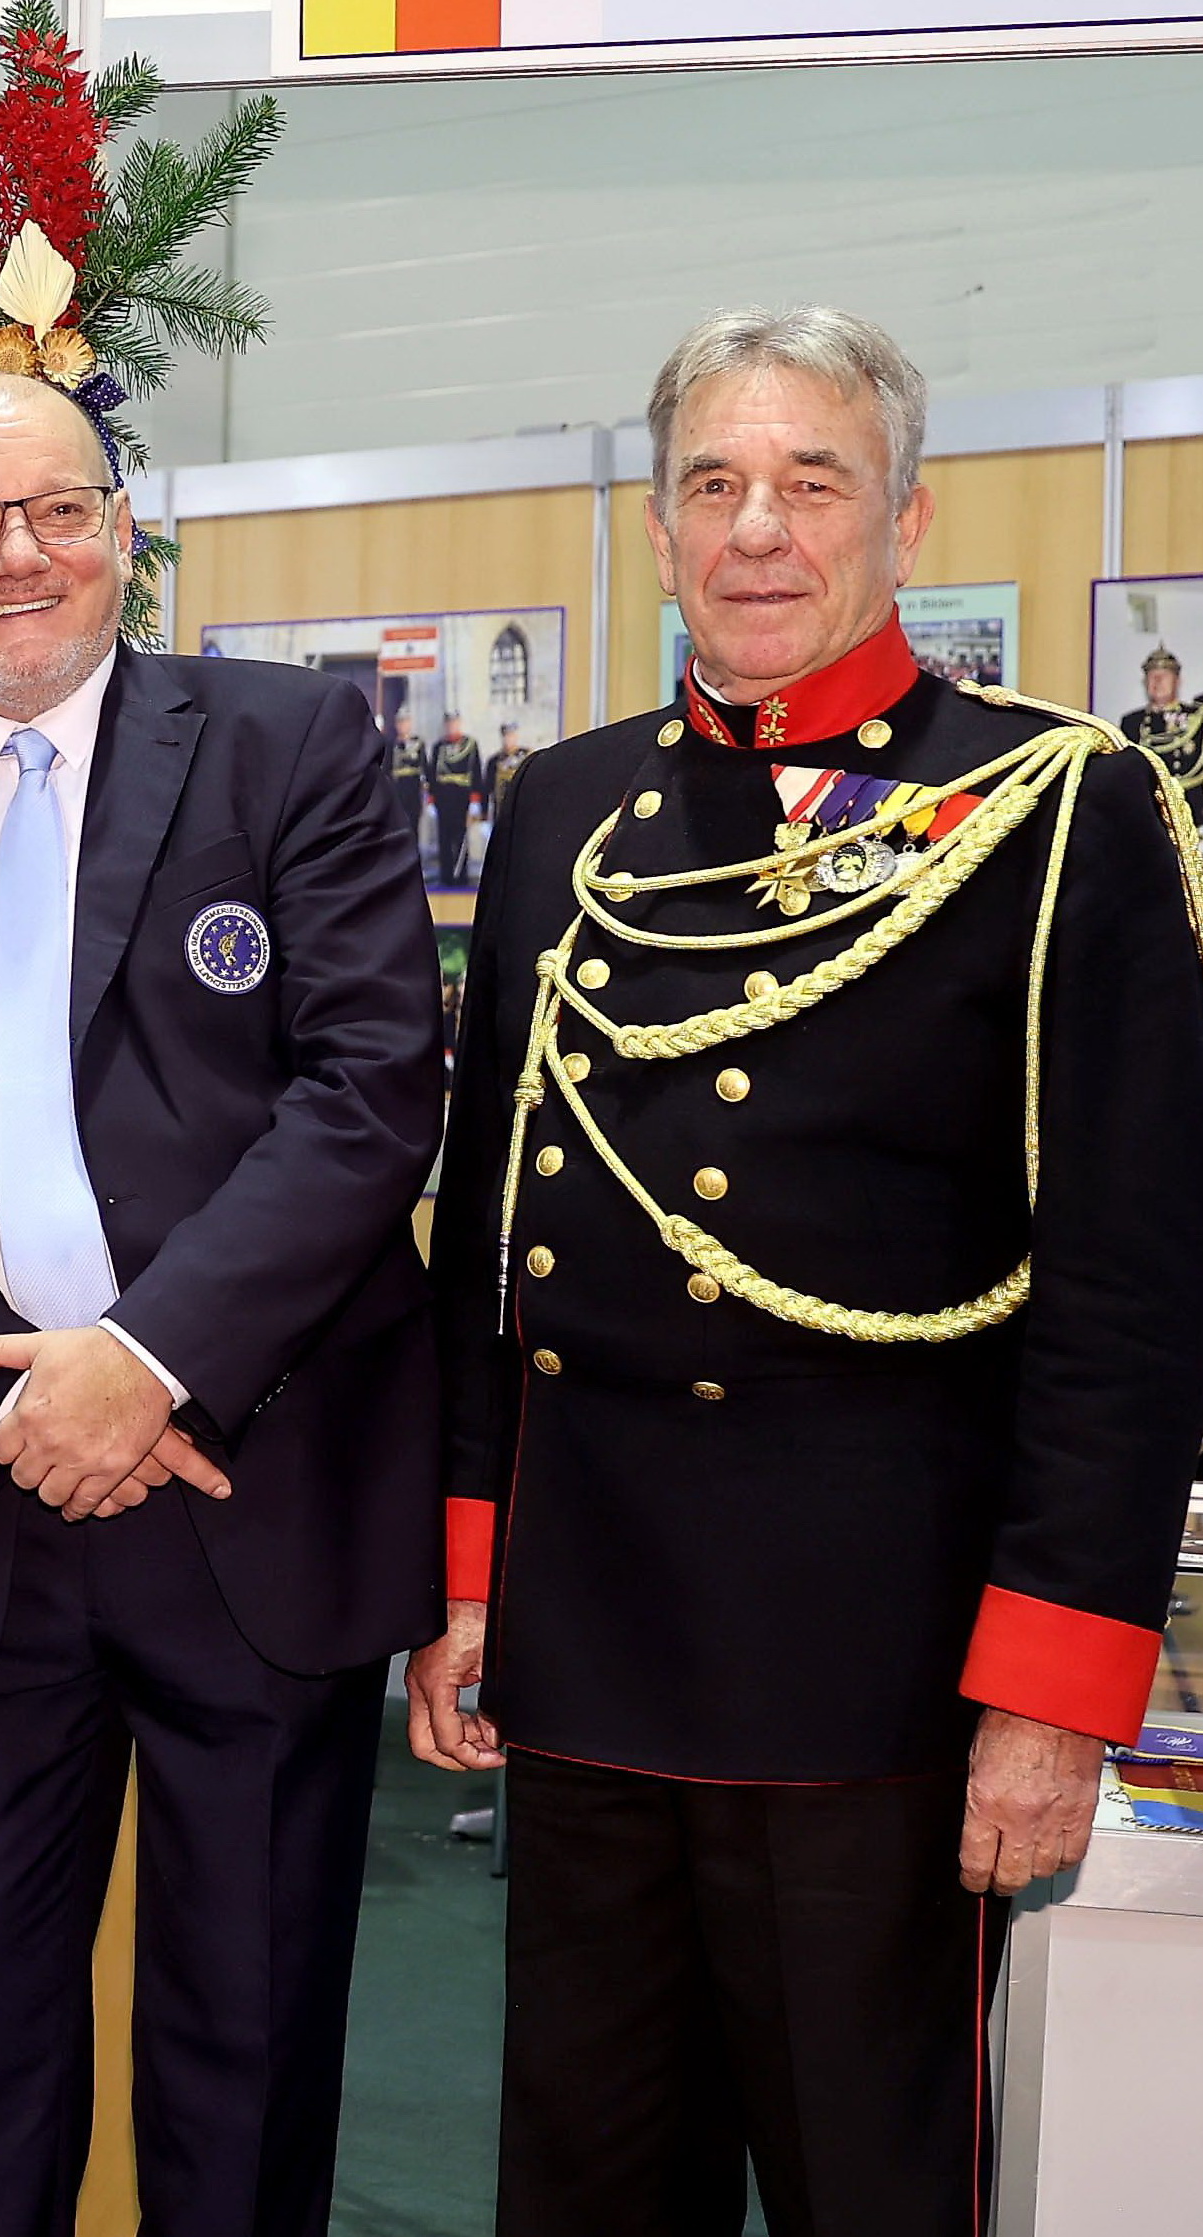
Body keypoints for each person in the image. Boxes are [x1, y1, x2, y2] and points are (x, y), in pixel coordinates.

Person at [414, 306, 1203, 2236]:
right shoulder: (559, 812)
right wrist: (464, 1581)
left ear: (904, 521)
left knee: (865, 2179)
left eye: (807, 482)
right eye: (711, 486)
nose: (756, 528)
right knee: (587, 2177)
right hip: (590, 1621)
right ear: (662, 533)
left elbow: (1125, 1284)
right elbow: (489, 1244)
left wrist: (1046, 1686)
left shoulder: (1046, 808)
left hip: (874, 1655)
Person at [0, 371, 445, 2237]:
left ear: (121, 527)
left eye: (52, 508)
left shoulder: (291, 749)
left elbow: (368, 1088)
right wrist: (18, 1409)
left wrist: (142, 1364)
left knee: (245, 2055)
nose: (11, 554)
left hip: (245, 1485)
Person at [1119, 644, 1203, 799]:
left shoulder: (1196, 718)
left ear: (1177, 681)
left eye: (1164, 675)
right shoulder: (1132, 723)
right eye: (1152, 676)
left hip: (1194, 809)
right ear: (1145, 682)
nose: (1157, 681)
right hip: (1152, 808)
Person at [427, 707, 483, 885]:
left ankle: (461, 876)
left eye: (454, 722)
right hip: (443, 798)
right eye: (449, 723)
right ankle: (446, 877)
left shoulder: (470, 744)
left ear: (459, 723)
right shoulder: (438, 747)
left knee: (460, 837)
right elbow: (432, 775)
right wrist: (431, 799)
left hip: (461, 797)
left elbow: (476, 771)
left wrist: (475, 800)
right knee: (444, 838)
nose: (452, 726)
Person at [386, 705, 428, 846]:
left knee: (414, 826)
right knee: (398, 826)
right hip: (397, 790)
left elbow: (424, 767)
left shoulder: (418, 743)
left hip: (414, 789)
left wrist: (427, 792)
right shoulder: (390, 744)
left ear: (410, 723)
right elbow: (386, 769)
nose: (402, 725)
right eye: (400, 722)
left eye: (405, 722)